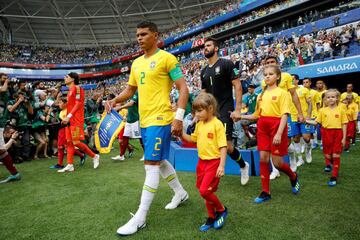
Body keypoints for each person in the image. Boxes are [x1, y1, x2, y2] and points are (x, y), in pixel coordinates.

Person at [106, 21, 189, 236]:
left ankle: (140, 218)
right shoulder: (136, 64)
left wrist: (178, 118)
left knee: (150, 164)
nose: (139, 38)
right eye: (137, 35)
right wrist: (114, 100)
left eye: (144, 34)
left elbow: (183, 88)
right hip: (144, 120)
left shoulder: (167, 58)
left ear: (155, 35)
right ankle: (180, 193)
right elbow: (130, 90)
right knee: (159, 161)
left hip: (161, 119)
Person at [240, 65, 300, 203]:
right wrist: (240, 116)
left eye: (271, 74)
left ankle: (292, 175)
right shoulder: (261, 94)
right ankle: (265, 191)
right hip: (263, 126)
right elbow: (256, 115)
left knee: (277, 163)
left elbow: (285, 114)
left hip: (277, 127)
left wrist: (279, 133)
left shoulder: (282, 93)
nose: (267, 76)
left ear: (278, 76)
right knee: (263, 159)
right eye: (265, 74)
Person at [201, 37, 250, 185]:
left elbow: (238, 86)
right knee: (212, 144)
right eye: (204, 46)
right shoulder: (203, 71)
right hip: (210, 113)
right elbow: (203, 94)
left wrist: (237, 109)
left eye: (208, 45)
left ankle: (243, 165)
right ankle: (211, 175)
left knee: (228, 146)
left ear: (216, 48)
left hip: (225, 110)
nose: (205, 48)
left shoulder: (227, 64)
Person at [182, 93, 228, 231]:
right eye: (195, 111)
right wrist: (180, 134)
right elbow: (192, 139)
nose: (197, 114)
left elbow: (223, 146)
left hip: (214, 163)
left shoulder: (217, 124)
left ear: (211, 109)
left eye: (200, 110)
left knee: (204, 191)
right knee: (205, 191)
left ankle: (221, 209)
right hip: (201, 162)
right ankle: (211, 216)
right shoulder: (200, 124)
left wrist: (221, 165)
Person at [259, 56, 304, 180]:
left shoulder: (286, 77)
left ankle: (293, 157)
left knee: (288, 141)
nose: (270, 64)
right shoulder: (264, 82)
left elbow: (294, 95)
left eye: (272, 62)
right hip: (271, 116)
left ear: (277, 64)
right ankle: (275, 169)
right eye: (267, 62)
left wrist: (300, 113)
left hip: (285, 113)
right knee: (271, 147)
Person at [58, 72, 100, 173]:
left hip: (76, 120)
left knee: (76, 142)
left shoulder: (77, 88)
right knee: (69, 143)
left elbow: (78, 104)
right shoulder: (70, 90)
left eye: (67, 76)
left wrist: (68, 116)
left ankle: (94, 156)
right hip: (70, 120)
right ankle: (70, 164)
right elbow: (71, 105)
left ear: (72, 79)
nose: (65, 78)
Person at [306, 89, 347, 186]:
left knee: (336, 155)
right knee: (328, 156)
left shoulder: (341, 110)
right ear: (325, 99)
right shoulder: (322, 110)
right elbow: (316, 122)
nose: (330, 99)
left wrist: (344, 138)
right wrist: (306, 121)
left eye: (333, 97)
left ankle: (334, 176)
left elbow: (344, 124)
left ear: (337, 98)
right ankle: (333, 164)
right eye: (328, 97)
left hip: (338, 133)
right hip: (326, 133)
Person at [288, 75, 312, 167]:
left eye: (293, 79)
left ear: (297, 80)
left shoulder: (304, 90)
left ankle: (308, 150)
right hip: (292, 118)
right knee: (296, 139)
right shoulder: (287, 92)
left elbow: (310, 104)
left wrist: (308, 116)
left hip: (304, 117)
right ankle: (300, 159)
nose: (291, 81)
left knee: (306, 138)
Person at [111, 92, 143, 161]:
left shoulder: (136, 93)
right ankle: (121, 155)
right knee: (125, 137)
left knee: (140, 137)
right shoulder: (130, 94)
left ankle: (146, 155)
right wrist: (126, 115)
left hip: (136, 119)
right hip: (129, 120)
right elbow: (130, 108)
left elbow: (131, 104)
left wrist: (119, 107)